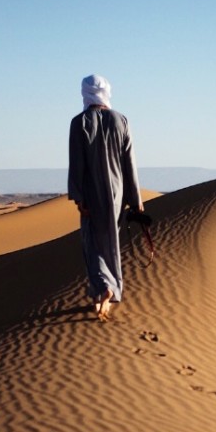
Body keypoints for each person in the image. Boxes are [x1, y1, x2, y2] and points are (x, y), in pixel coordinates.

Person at [68, 74, 144, 320]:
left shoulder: (79, 122)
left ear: (85, 93)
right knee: (111, 243)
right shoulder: (121, 120)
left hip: (91, 193)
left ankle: (104, 289)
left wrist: (79, 197)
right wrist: (136, 197)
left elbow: (76, 164)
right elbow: (129, 162)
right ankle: (110, 291)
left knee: (92, 243)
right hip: (117, 193)